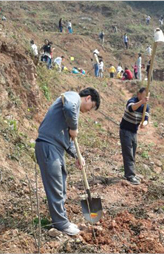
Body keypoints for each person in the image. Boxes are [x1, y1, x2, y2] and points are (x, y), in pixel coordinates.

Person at [35, 87, 101, 235]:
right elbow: (70, 107)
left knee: (61, 184)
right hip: (49, 146)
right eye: (91, 107)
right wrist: (74, 127)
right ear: (88, 98)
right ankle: (61, 224)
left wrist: (77, 156)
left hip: (57, 148)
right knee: (56, 186)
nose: (88, 111)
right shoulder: (73, 98)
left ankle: (60, 219)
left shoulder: (72, 112)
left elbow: (69, 139)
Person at [120, 87, 150, 185]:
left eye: (148, 96)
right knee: (128, 153)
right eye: (145, 95)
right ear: (139, 94)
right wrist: (141, 102)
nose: (146, 97)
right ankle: (130, 176)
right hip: (125, 130)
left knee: (132, 153)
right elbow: (131, 108)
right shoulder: (133, 101)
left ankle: (130, 173)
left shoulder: (146, 106)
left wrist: (144, 124)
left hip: (134, 132)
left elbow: (146, 118)